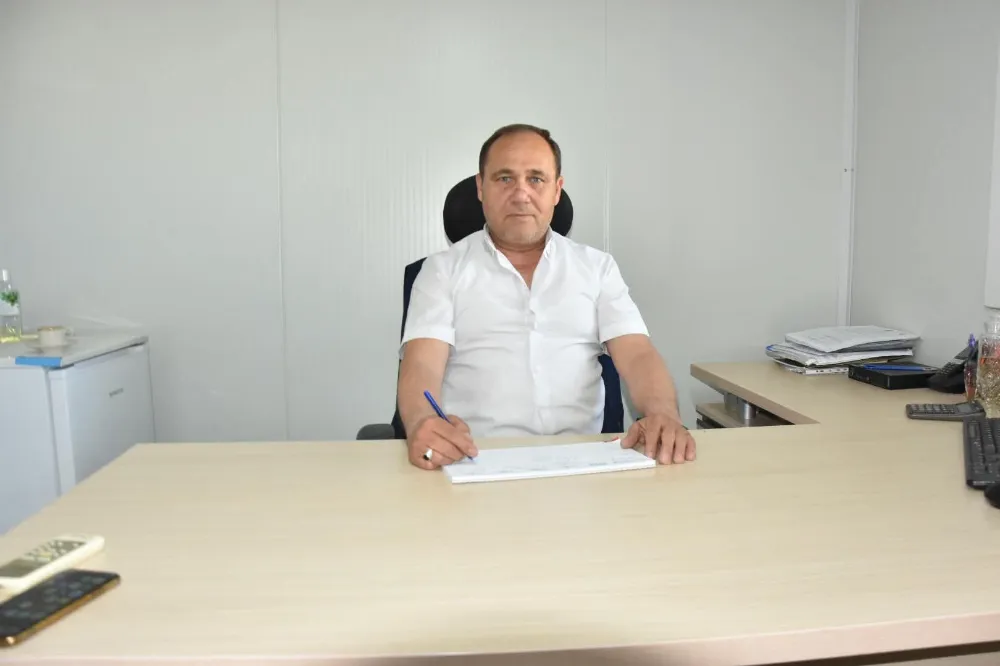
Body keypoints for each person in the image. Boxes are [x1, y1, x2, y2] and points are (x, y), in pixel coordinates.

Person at [397, 123, 696, 470]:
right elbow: (421, 364)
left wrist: (663, 414)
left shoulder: (597, 268)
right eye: (504, 178)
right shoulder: (441, 271)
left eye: (536, 179)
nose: (521, 194)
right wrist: (422, 423)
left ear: (557, 190)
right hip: (474, 461)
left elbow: (638, 354)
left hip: (584, 465)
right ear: (480, 187)